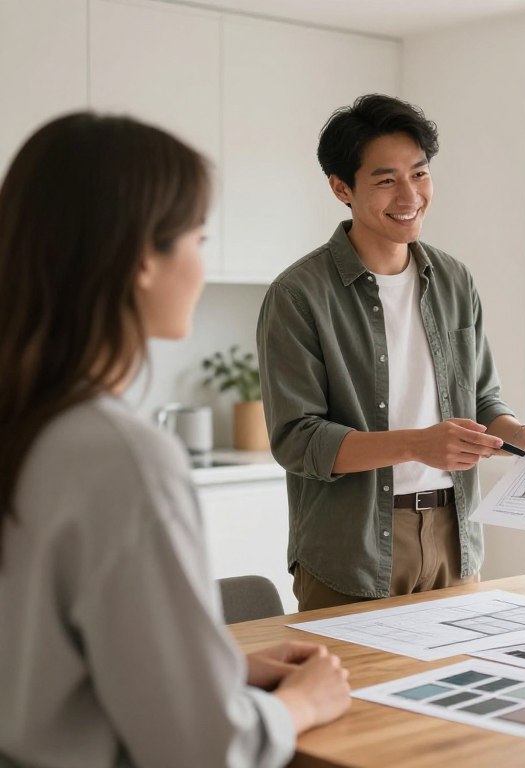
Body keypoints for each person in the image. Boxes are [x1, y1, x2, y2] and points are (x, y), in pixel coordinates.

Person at [0, 113, 351, 767]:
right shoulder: (118, 456)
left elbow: (42, 665)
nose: (201, 260)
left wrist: (210, 673)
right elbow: (203, 750)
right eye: (197, 236)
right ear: (142, 260)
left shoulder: (28, 428)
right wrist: (303, 702)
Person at [257, 94, 525, 611]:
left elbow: (481, 399)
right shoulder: (298, 294)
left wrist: (518, 434)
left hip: (455, 536)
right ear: (341, 188)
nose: (410, 195)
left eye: (419, 174)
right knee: (356, 692)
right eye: (385, 180)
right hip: (350, 550)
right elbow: (297, 440)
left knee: (463, 684)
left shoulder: (453, 279)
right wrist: (416, 445)